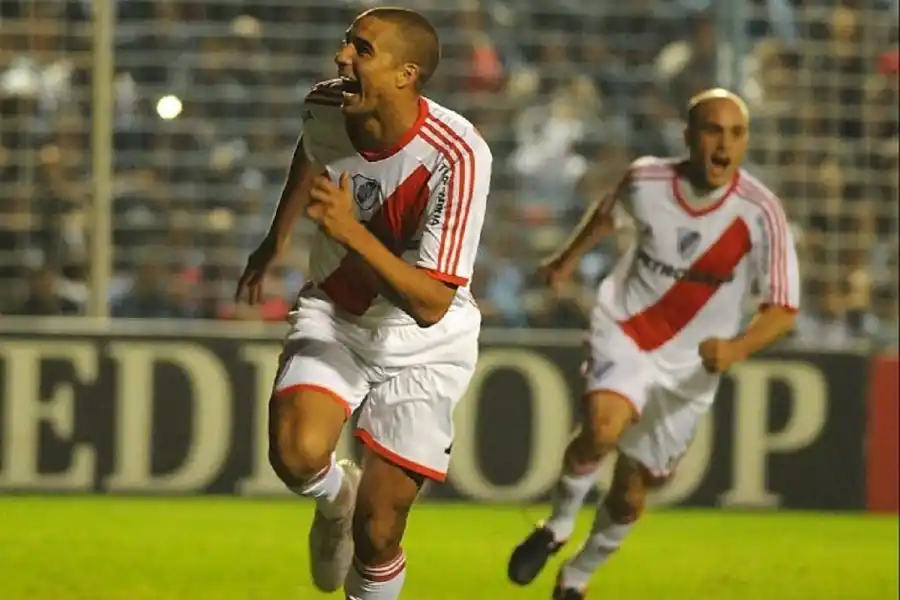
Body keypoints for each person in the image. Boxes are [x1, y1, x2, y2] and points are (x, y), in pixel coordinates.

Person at [235, 7, 491, 600]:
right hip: (337, 312)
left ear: (407, 75)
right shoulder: (327, 104)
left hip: (426, 340)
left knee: (378, 532)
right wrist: (278, 236)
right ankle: (333, 500)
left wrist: (352, 233)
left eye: (362, 50)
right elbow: (311, 148)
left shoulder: (457, 155)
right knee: (296, 456)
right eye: (346, 43)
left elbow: (430, 303)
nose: (341, 57)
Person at [506, 88, 799, 600]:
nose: (722, 143)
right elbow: (606, 215)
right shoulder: (647, 179)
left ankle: (575, 578)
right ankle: (557, 525)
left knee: (633, 494)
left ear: (745, 141)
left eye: (735, 133)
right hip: (628, 329)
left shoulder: (761, 213)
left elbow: (783, 307)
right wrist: (566, 258)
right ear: (688, 136)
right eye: (712, 130)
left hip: (692, 367)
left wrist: (737, 349)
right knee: (602, 424)